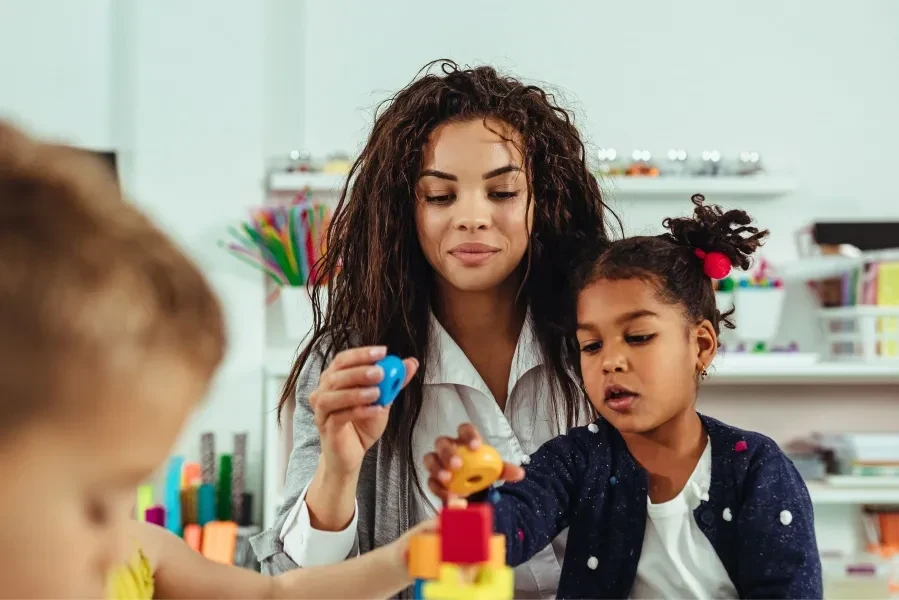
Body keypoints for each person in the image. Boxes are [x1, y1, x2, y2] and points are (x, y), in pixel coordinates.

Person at [0, 120, 432, 599]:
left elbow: (278, 596)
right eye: (97, 505)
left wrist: (405, 558)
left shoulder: (140, 554)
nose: (115, 546)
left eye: (129, 495)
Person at [251, 59, 618, 598]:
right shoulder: (350, 358)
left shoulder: (596, 336)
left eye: (503, 192)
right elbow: (291, 583)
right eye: (440, 196)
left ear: (544, 201)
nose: (472, 216)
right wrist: (338, 469)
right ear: (405, 210)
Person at [424, 195, 823, 599]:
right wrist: (471, 497)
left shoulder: (756, 468)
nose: (611, 361)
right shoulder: (576, 460)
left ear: (701, 345)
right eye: (592, 345)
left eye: (638, 337)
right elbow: (511, 526)